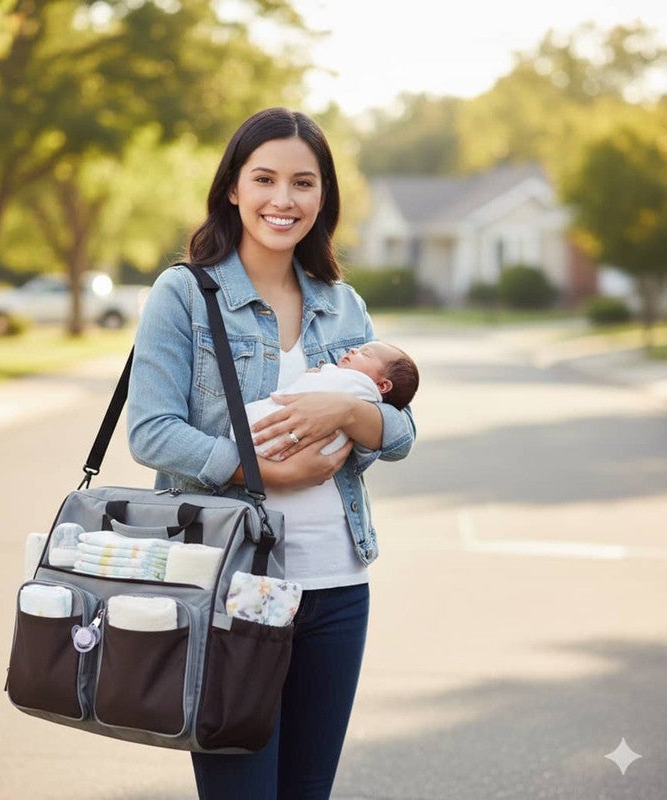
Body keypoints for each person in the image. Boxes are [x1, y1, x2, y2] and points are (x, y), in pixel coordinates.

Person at [127, 107, 416, 800]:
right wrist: (264, 471)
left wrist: (347, 412)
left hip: (337, 586)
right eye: (264, 179)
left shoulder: (343, 305)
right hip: (228, 587)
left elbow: (400, 433)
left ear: (323, 196)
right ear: (233, 187)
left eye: (303, 183)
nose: (283, 199)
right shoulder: (185, 294)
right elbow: (152, 432)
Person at [236, 340, 419, 459]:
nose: (353, 349)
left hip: (255, 439)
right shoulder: (364, 391)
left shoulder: (358, 383)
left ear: (382, 386)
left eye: (365, 354)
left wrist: (349, 409)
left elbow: (400, 439)